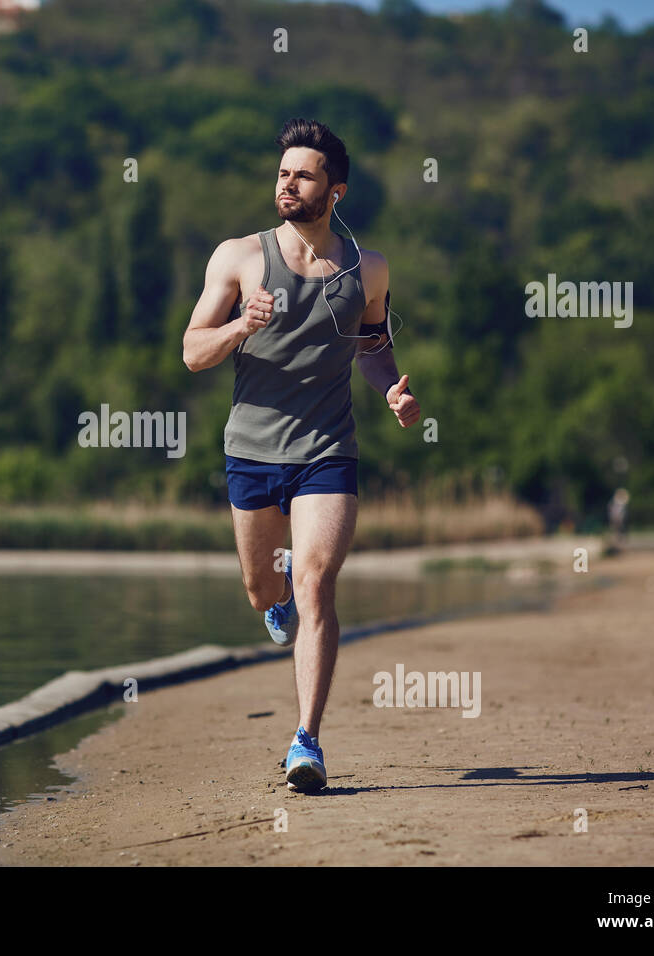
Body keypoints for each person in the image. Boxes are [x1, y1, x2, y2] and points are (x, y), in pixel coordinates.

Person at [182, 118, 421, 792]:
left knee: (318, 585)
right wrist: (240, 325)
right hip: (252, 453)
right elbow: (192, 351)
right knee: (265, 589)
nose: (288, 183)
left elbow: (374, 350)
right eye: (283, 172)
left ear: (334, 190)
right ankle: (274, 591)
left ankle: (305, 743)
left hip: (327, 450)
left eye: (303, 174)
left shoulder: (366, 269)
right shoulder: (239, 258)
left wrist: (393, 395)